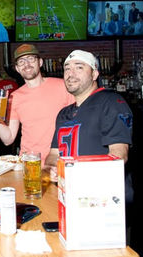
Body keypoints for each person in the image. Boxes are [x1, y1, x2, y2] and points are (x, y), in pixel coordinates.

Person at [44, 50, 133, 179]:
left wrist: (78, 175)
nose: (71, 74)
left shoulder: (111, 102)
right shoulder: (63, 113)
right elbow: (53, 155)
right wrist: (51, 169)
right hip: (68, 191)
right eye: (67, 69)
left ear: (94, 74)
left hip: (101, 194)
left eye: (79, 67)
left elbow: (119, 155)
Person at [0, 44, 74, 165]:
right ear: (17, 68)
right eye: (21, 61)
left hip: (58, 162)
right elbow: (8, 139)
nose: (26, 64)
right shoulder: (14, 97)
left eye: (31, 59)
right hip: (30, 163)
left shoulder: (63, 86)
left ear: (40, 62)